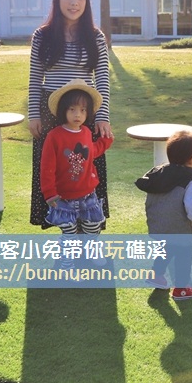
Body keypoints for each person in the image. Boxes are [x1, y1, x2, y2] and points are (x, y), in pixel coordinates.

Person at [28, 0, 113, 229]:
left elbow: (103, 79)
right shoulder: (42, 36)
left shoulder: (96, 36)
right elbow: (35, 78)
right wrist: (34, 114)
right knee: (53, 172)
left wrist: (102, 115)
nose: (74, 2)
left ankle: (90, 229)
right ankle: (66, 235)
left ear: (86, 2)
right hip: (50, 109)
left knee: (85, 170)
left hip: (84, 111)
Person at [39, 81, 114, 268]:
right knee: (69, 233)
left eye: (82, 110)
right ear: (64, 110)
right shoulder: (54, 136)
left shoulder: (87, 132)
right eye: (72, 109)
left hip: (88, 194)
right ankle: (67, 264)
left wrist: (106, 141)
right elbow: (46, 167)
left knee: (92, 227)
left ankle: (92, 252)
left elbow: (91, 153)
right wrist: (49, 193)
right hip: (63, 198)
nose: (77, 114)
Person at [135, 131, 192, 301]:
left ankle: (156, 275)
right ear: (191, 158)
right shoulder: (191, 182)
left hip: (158, 226)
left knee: (165, 250)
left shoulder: (158, 173)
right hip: (180, 230)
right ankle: (182, 289)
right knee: (183, 256)